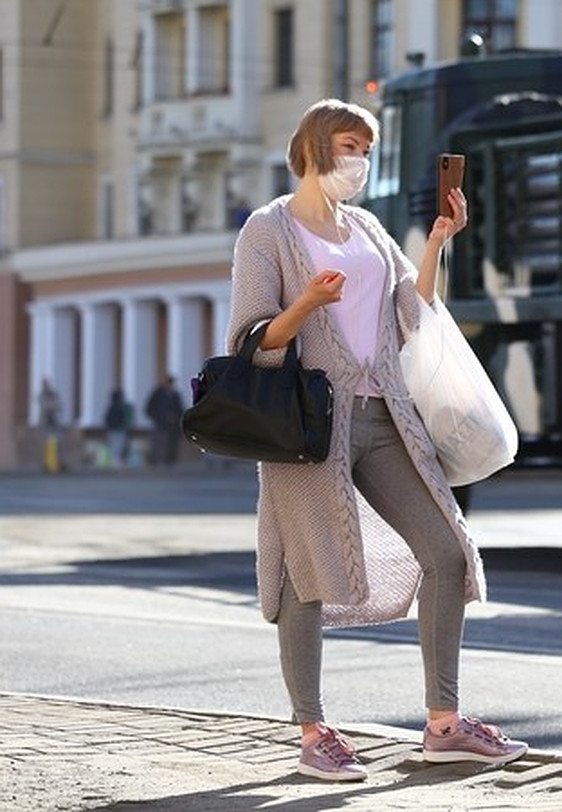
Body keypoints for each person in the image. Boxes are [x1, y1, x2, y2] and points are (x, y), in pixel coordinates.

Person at [225, 97, 526, 782]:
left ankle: (444, 725)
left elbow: (408, 311)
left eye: (365, 146)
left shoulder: (365, 226)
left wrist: (437, 244)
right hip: (303, 425)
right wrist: (305, 306)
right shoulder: (265, 230)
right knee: (304, 574)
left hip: (384, 418)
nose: (355, 158)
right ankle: (312, 732)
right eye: (345, 144)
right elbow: (248, 338)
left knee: (448, 553)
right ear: (312, 147)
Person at [145, 375, 183, 467]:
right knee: (158, 442)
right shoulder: (157, 394)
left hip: (173, 425)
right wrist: (159, 417)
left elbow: (180, 408)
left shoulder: (175, 395)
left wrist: (176, 417)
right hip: (160, 423)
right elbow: (149, 408)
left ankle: (169, 460)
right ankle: (154, 460)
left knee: (171, 443)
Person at [103, 387, 132, 469]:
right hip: (118, 429)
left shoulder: (111, 407)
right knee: (118, 445)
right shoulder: (119, 407)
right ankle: (116, 461)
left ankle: (115, 460)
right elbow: (122, 418)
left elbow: (107, 419)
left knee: (115, 445)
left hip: (113, 429)